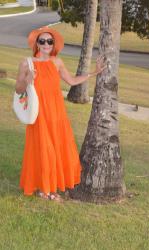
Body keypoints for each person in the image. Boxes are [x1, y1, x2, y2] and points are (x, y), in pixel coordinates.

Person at [15, 26, 106, 202]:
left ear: (53, 44)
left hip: (56, 113)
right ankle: (44, 188)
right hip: (38, 113)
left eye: (50, 41)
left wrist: (94, 73)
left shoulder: (57, 62)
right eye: (42, 41)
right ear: (37, 44)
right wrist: (28, 80)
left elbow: (71, 80)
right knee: (43, 148)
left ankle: (48, 188)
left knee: (55, 147)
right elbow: (18, 89)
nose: (46, 44)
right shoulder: (26, 63)